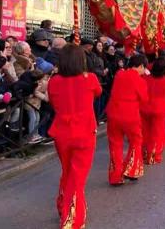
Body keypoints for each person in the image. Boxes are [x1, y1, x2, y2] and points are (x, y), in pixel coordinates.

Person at [47, 44, 102, 229]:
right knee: (77, 176)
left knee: (68, 172)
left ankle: (64, 206)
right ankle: (71, 220)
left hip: (62, 132)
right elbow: (98, 93)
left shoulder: (53, 81)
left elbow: (53, 101)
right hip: (84, 132)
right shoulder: (90, 78)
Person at [106, 55, 148, 185]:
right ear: (140, 66)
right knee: (136, 141)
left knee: (115, 144)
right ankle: (131, 169)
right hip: (130, 115)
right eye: (143, 68)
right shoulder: (139, 80)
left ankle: (116, 176)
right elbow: (144, 99)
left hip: (113, 114)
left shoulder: (119, 74)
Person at [141, 56, 165, 165]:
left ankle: (144, 152)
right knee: (157, 133)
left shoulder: (145, 79)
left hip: (145, 108)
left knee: (145, 131)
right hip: (159, 109)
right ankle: (153, 155)